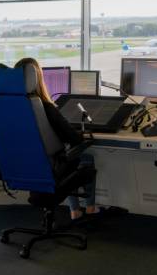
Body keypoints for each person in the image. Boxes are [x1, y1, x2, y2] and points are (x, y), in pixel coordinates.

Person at [14, 58, 99, 221]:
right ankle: (89, 207)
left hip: (21, 166)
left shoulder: (6, 107)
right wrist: (82, 133)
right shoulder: (44, 107)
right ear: (38, 78)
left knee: (63, 159)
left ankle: (75, 210)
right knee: (84, 158)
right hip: (49, 168)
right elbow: (74, 139)